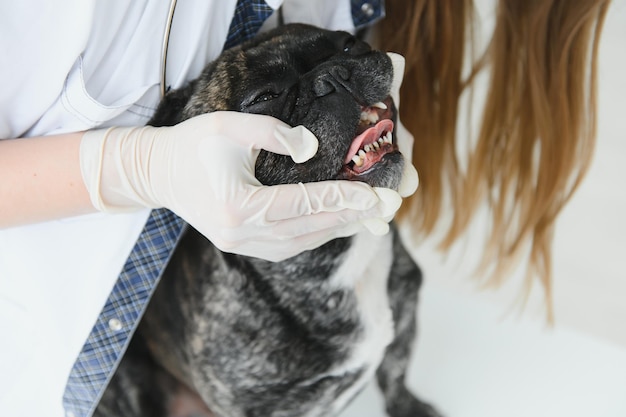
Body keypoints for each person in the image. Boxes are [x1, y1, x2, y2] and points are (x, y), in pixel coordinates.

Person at [0, 1, 417, 416]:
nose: (332, 79)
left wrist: (367, 108)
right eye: (265, 97)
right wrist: (133, 165)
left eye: (342, 51)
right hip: (74, 341)